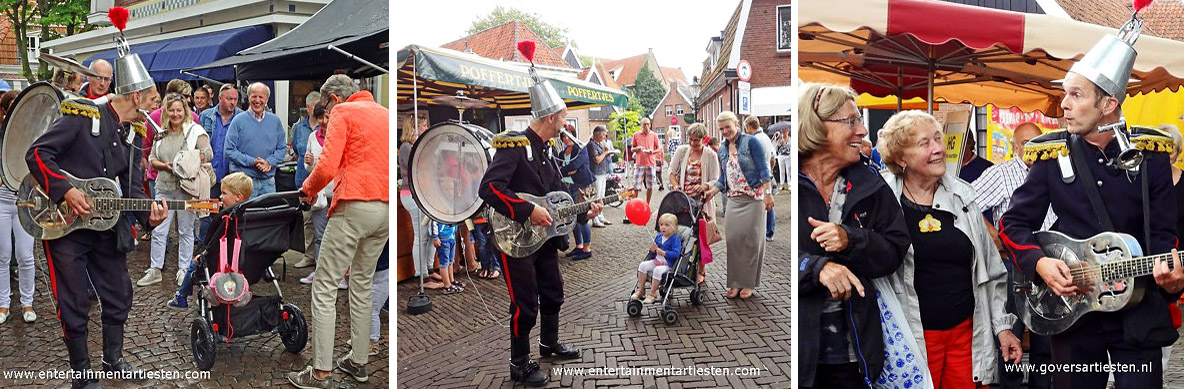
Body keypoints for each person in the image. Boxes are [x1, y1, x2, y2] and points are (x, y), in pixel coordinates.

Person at [999, 51, 1184, 388]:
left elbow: (1163, 235)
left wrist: (1172, 282)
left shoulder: (1151, 153)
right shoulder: (1051, 155)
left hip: (1137, 313)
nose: (1064, 105)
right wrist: (1040, 264)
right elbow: (1013, 224)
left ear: (1108, 104)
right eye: (1064, 93)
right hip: (1074, 314)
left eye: (1076, 94)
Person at [27, 47, 168, 388]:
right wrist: (66, 191)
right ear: (135, 96)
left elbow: (133, 187)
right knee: (73, 300)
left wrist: (150, 216)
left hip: (107, 229)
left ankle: (113, 359)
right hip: (65, 227)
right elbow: (37, 154)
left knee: (119, 293)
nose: (155, 110)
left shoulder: (133, 134)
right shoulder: (81, 115)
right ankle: (82, 373)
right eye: (152, 102)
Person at [879, 110, 1022, 388]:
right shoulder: (884, 200)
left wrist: (1003, 328)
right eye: (925, 143)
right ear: (900, 158)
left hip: (965, 334)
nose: (938, 149)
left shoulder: (963, 194)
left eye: (938, 139)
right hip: (912, 337)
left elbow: (990, 270)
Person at [477, 75, 603, 387]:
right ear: (550, 117)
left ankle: (548, 345)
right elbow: (489, 187)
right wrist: (528, 210)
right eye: (562, 118)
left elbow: (559, 199)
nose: (565, 124)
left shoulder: (547, 151)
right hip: (514, 241)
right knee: (524, 304)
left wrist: (586, 211)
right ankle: (518, 364)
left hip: (543, 241)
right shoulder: (514, 146)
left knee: (552, 292)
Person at [797, 83, 910, 388]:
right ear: (817, 126)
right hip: (798, 351)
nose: (863, 130)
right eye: (851, 121)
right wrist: (817, 268)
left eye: (860, 121)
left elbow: (896, 249)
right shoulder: (792, 182)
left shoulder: (868, 182)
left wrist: (851, 239)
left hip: (852, 352)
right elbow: (778, 263)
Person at [289, 75, 389, 388]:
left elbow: (327, 166)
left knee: (325, 286)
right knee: (361, 284)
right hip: (384, 210)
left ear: (334, 99)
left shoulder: (344, 113)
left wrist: (306, 189)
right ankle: (358, 361)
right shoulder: (385, 114)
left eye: (326, 109)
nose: (327, 117)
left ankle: (319, 371)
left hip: (354, 204)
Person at [971, 122, 1055, 389]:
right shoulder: (1001, 174)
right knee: (1012, 336)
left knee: (1047, 337)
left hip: (1050, 263)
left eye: (1037, 143)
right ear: (1015, 147)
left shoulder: (1053, 170)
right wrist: (995, 236)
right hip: (1014, 265)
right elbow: (967, 203)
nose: (1033, 150)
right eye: (1027, 144)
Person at [136, 93, 213, 287]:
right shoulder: (161, 133)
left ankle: (184, 270)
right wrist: (165, 165)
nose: (175, 114)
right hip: (164, 186)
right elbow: (152, 158)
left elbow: (208, 153)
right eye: (171, 110)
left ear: (185, 111)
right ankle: (155, 269)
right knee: (159, 229)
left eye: (179, 110)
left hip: (186, 187)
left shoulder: (195, 131)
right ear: (166, 112)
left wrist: (189, 161)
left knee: (186, 230)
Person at [704, 111, 772, 300]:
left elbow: (764, 171)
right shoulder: (722, 150)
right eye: (721, 128)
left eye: (728, 126)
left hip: (753, 199)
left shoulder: (751, 142)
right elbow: (723, 179)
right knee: (733, 241)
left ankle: (748, 283)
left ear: (736, 123)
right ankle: (735, 282)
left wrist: (768, 195)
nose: (725, 131)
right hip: (733, 200)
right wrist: (711, 192)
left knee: (750, 242)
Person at [166, 172, 252, 309]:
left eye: (224, 193)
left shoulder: (227, 218)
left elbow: (212, 245)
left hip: (222, 263)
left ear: (238, 197)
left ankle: (181, 296)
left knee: (194, 264)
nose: (220, 196)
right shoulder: (252, 214)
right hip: (247, 261)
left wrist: (201, 256)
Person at [668, 123, 719, 285]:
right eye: (690, 139)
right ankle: (677, 267)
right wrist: (676, 186)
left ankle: (701, 271)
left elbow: (716, 179)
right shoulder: (682, 151)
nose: (692, 143)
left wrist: (705, 186)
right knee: (681, 235)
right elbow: (671, 172)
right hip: (682, 202)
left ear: (703, 139)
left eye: (696, 141)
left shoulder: (710, 155)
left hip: (701, 203)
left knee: (701, 238)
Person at [398, 113, 441, 288]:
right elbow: (423, 166)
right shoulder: (408, 147)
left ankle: (429, 269)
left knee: (430, 235)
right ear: (413, 128)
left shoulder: (415, 146)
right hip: (412, 195)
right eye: (423, 126)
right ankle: (422, 276)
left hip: (422, 195)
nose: (426, 129)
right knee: (421, 236)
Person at [198, 84, 243, 243]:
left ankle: (226, 243)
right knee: (206, 209)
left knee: (230, 212)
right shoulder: (206, 116)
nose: (233, 102)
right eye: (229, 99)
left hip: (231, 173)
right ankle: (205, 244)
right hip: (210, 173)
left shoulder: (241, 118)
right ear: (219, 99)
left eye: (235, 99)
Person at [225, 82, 286, 197]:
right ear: (248, 97)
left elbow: (282, 148)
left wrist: (269, 162)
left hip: (268, 183)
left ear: (267, 99)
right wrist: (252, 161)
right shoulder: (238, 121)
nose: (257, 100)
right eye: (254, 96)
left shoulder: (275, 121)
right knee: (245, 214)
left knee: (268, 214)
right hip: (244, 182)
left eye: (261, 97)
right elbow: (229, 150)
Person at [298, 105, 333, 285]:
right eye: (320, 118)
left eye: (327, 117)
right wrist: (309, 162)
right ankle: (319, 271)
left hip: (336, 192)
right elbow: (309, 168)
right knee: (320, 234)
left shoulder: (338, 136)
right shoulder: (313, 136)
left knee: (335, 236)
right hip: (320, 194)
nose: (324, 122)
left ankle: (338, 274)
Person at [147, 80, 198, 200]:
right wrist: (162, 165)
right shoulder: (154, 118)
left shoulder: (194, 120)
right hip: (158, 181)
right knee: (162, 216)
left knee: (185, 218)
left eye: (179, 110)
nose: (189, 100)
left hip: (186, 183)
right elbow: (147, 149)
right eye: (185, 97)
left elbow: (205, 152)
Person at [292, 92, 321, 269]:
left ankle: (320, 259)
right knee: (308, 221)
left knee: (321, 222)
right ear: (308, 107)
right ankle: (309, 255)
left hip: (322, 182)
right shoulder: (299, 128)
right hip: (303, 179)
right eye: (315, 106)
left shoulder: (326, 126)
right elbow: (296, 150)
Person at [558, 125, 594, 260]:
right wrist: (568, 171)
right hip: (569, 187)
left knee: (582, 217)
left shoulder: (581, 149)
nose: (566, 139)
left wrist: (564, 170)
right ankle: (578, 245)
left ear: (573, 134)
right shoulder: (562, 153)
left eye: (568, 135)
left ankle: (587, 248)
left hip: (581, 187)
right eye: (563, 136)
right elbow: (563, 168)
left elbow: (574, 166)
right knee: (572, 218)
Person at [632, 213, 682, 303]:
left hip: (668, 264)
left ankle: (652, 293)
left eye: (667, 225)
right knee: (642, 265)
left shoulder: (675, 239)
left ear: (673, 227)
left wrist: (664, 253)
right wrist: (652, 250)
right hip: (657, 261)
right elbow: (652, 254)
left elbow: (676, 254)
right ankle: (640, 289)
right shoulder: (658, 237)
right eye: (661, 225)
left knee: (657, 270)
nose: (663, 227)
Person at [745, 115, 777, 241]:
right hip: (768, 174)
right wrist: (770, 170)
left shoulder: (754, 140)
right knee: (769, 203)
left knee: (761, 204)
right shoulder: (766, 138)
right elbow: (773, 158)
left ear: (748, 127)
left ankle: (765, 231)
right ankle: (770, 231)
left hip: (759, 177)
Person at [587, 126, 615, 228]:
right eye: (603, 134)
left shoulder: (601, 143)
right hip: (596, 173)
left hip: (603, 172)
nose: (605, 136)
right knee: (596, 196)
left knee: (601, 196)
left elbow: (603, 157)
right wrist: (605, 152)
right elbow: (597, 159)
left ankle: (600, 215)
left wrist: (607, 153)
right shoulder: (591, 145)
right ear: (597, 134)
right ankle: (595, 218)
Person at [632, 117, 662, 204]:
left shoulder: (654, 135)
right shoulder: (636, 135)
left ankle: (647, 205)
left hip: (650, 163)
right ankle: (634, 205)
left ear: (650, 124)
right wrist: (637, 148)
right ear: (641, 125)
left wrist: (652, 151)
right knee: (636, 186)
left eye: (648, 124)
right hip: (639, 163)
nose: (646, 126)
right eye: (644, 124)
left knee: (650, 186)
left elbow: (659, 148)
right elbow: (632, 149)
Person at [430, 217, 461, 294]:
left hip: (451, 237)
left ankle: (451, 281)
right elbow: (433, 223)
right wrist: (435, 237)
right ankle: (447, 285)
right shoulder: (437, 211)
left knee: (450, 261)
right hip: (443, 239)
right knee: (444, 263)